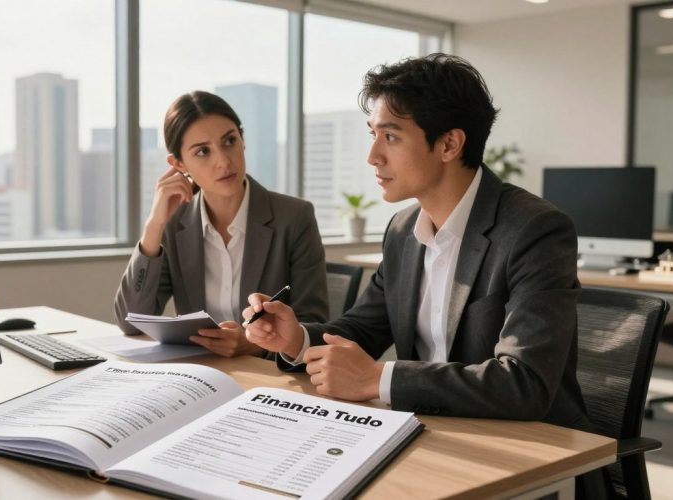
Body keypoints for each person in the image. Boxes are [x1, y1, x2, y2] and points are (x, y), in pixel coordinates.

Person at [244, 53, 592, 427]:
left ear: (448, 145)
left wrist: (378, 378)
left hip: (534, 450)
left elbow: (524, 383)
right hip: (429, 428)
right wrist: (297, 339)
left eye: (390, 137)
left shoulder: (534, 229)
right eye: (373, 134)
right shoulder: (401, 230)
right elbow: (363, 331)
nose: (373, 156)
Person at [115, 91, 329, 357]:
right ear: (178, 164)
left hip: (269, 377)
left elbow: (316, 324)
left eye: (229, 141)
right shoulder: (174, 225)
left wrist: (251, 343)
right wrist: (153, 226)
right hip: (201, 374)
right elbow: (130, 321)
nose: (224, 161)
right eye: (203, 151)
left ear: (242, 140)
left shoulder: (295, 217)